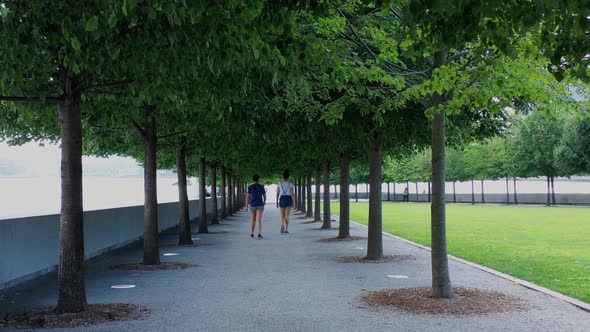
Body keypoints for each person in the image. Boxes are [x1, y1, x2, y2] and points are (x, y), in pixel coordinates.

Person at [246, 174, 266, 239]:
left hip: (252, 204)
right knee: (259, 220)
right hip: (260, 204)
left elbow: (247, 197)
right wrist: (264, 201)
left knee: (253, 220)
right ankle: (259, 234)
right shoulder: (261, 186)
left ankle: (252, 234)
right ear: (258, 179)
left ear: (253, 179)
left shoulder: (250, 187)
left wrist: (246, 206)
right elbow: (264, 195)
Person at [276, 169, 296, 234]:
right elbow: (292, 194)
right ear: (289, 177)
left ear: (283, 176)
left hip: (282, 198)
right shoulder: (291, 184)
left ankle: (282, 224)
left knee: (282, 215)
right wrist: (294, 203)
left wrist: (277, 202)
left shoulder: (279, 183)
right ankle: (286, 229)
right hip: (288, 198)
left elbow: (277, 193)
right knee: (287, 215)